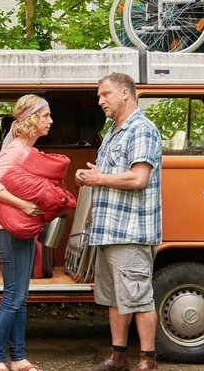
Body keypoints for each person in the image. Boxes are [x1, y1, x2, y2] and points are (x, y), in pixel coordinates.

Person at [75, 73, 162, 371]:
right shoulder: (115, 130)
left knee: (138, 298)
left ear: (126, 93)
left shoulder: (142, 129)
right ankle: (118, 357)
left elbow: (139, 177)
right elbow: (113, 172)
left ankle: (148, 360)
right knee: (115, 298)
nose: (100, 101)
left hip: (131, 231)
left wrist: (99, 178)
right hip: (108, 230)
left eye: (105, 94)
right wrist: (91, 176)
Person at [0, 95, 53, 371]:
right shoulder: (16, 151)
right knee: (13, 296)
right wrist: (25, 205)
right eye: (46, 116)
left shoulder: (27, 149)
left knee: (21, 296)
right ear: (33, 119)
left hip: (18, 230)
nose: (50, 121)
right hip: (7, 231)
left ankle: (19, 358)